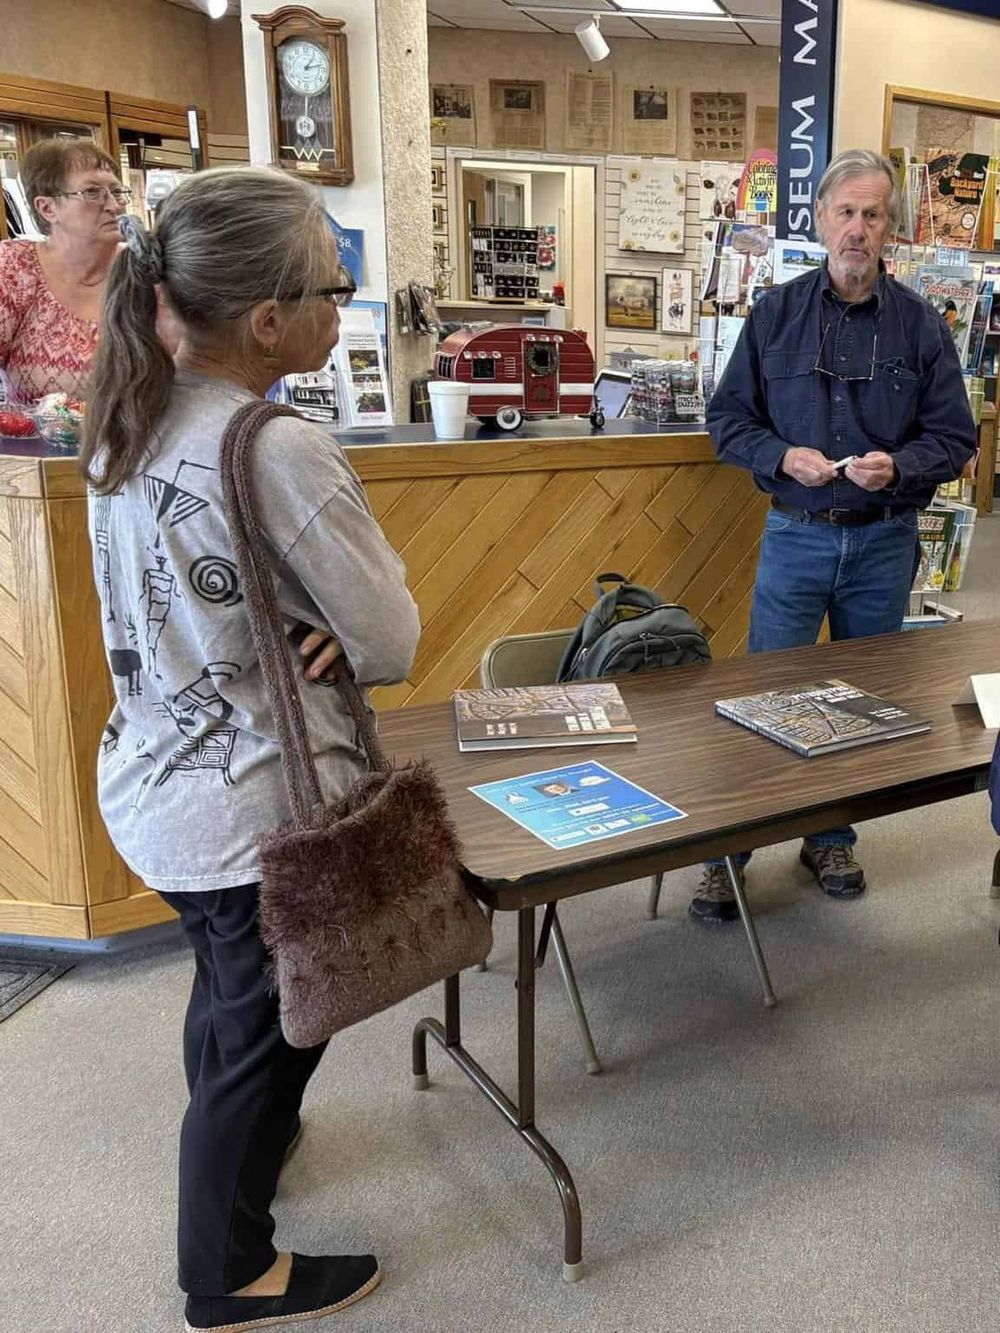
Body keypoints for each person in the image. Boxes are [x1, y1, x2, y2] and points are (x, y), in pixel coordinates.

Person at [80, 167, 421, 1331]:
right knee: (265, 1036)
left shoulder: (128, 406)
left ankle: (252, 1155)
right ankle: (227, 1270)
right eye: (334, 283)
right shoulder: (274, 445)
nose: (345, 302)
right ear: (269, 320)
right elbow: (387, 635)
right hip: (245, 805)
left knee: (230, 1000)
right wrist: (329, 626)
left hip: (152, 774)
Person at [691, 148, 976, 924]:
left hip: (883, 542)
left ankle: (830, 835)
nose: (857, 229)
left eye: (873, 215)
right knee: (764, 699)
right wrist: (782, 455)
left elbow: (956, 437)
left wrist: (903, 465)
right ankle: (729, 854)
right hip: (797, 534)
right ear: (820, 220)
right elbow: (728, 422)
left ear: (890, 228)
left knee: (860, 703)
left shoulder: (921, 326)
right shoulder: (774, 315)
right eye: (845, 212)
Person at [0, 137, 128, 404]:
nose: (114, 206)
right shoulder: (14, 269)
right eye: (92, 193)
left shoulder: (144, 270)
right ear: (47, 208)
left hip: (145, 440)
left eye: (116, 191)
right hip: (38, 442)